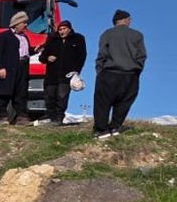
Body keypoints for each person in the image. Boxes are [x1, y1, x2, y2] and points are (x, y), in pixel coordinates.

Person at [93, 9, 146, 139]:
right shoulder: (137, 35)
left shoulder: (107, 34)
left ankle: (101, 130)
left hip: (109, 72)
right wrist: (137, 70)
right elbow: (142, 55)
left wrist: (100, 71)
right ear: (126, 19)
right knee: (125, 102)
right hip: (130, 74)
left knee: (102, 102)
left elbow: (102, 54)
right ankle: (115, 126)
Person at [38, 20, 87, 125]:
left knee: (62, 96)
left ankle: (59, 118)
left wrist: (77, 70)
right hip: (51, 75)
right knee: (49, 95)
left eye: (64, 29)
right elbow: (42, 57)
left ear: (69, 29)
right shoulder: (52, 39)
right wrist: (47, 58)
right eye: (60, 29)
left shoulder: (78, 39)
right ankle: (51, 117)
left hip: (67, 75)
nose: (62, 31)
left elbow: (82, 56)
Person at [0, 11, 33, 124]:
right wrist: (0, 67)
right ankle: (3, 116)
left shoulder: (24, 37)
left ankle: (21, 116)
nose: (26, 25)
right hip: (8, 67)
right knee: (4, 92)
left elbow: (25, 51)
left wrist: (35, 50)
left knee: (21, 92)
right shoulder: (4, 36)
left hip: (22, 67)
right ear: (16, 23)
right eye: (24, 22)